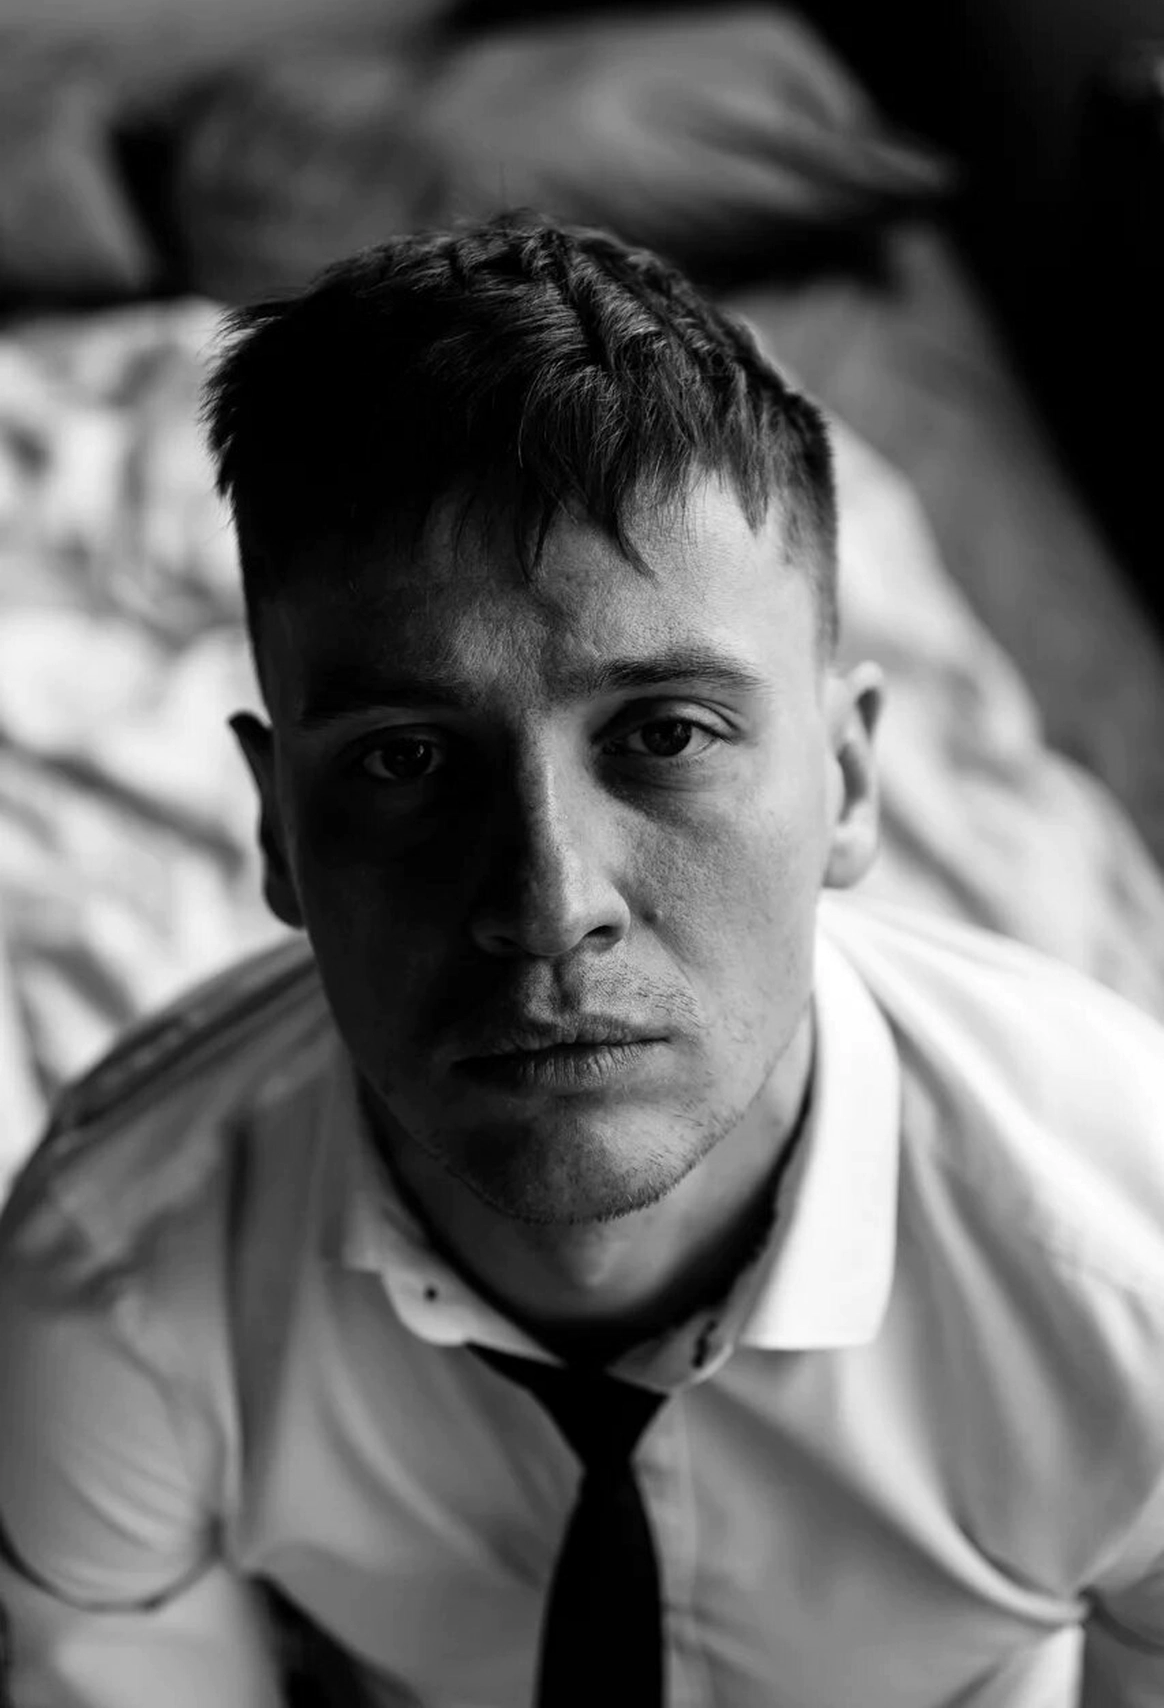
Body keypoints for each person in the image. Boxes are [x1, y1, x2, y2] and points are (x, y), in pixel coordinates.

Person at [1, 212, 1163, 1708]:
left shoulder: (1130, 1272)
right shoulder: (108, 1287)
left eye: (667, 734)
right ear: (278, 828)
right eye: (406, 758)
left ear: (851, 780)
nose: (550, 906)